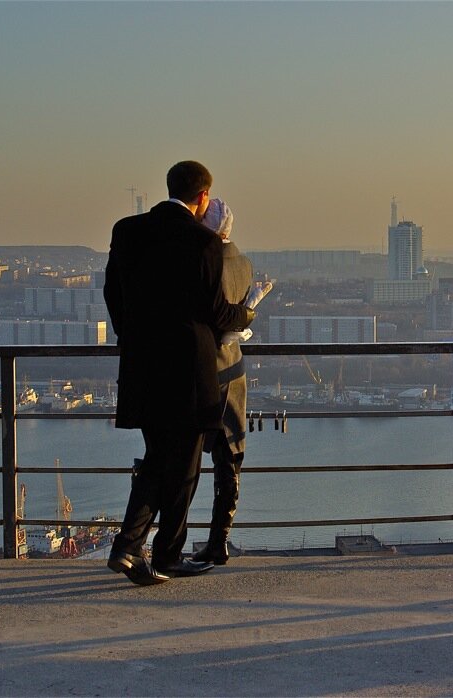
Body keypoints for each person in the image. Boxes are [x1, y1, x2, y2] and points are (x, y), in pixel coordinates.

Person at [102, 161, 254, 586]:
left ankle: (129, 548)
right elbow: (218, 313)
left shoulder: (126, 231)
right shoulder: (204, 244)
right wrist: (248, 311)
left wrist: (131, 333)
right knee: (184, 466)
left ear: (169, 188)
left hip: (141, 368)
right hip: (189, 373)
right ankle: (165, 554)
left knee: (155, 459)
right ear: (203, 197)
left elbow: (112, 292)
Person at [192, 198, 253, 565]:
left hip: (200, 368)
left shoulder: (203, 262)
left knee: (183, 455)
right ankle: (221, 539)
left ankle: (173, 536)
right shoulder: (244, 263)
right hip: (234, 367)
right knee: (229, 457)